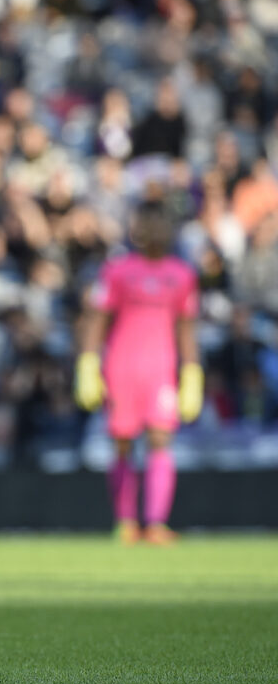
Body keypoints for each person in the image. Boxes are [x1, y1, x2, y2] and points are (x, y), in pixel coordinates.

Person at [75, 202, 203, 545]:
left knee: (161, 439)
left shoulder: (182, 275)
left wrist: (192, 372)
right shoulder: (117, 271)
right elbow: (97, 320)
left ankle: (157, 523)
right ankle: (126, 522)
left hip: (161, 369)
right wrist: (88, 363)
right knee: (122, 443)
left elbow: (187, 328)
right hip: (122, 367)